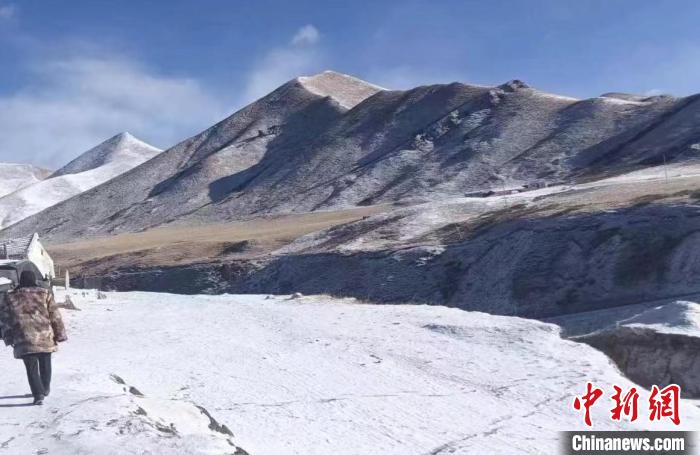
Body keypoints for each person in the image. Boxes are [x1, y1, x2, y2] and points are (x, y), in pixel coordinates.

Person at [0, 270, 67, 405]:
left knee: (31, 367)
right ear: (34, 280)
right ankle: (45, 388)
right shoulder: (45, 294)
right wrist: (60, 334)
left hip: (23, 337)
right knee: (45, 362)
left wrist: (8, 337)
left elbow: (4, 319)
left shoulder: (10, 297)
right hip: (45, 336)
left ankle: (38, 395)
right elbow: (55, 315)